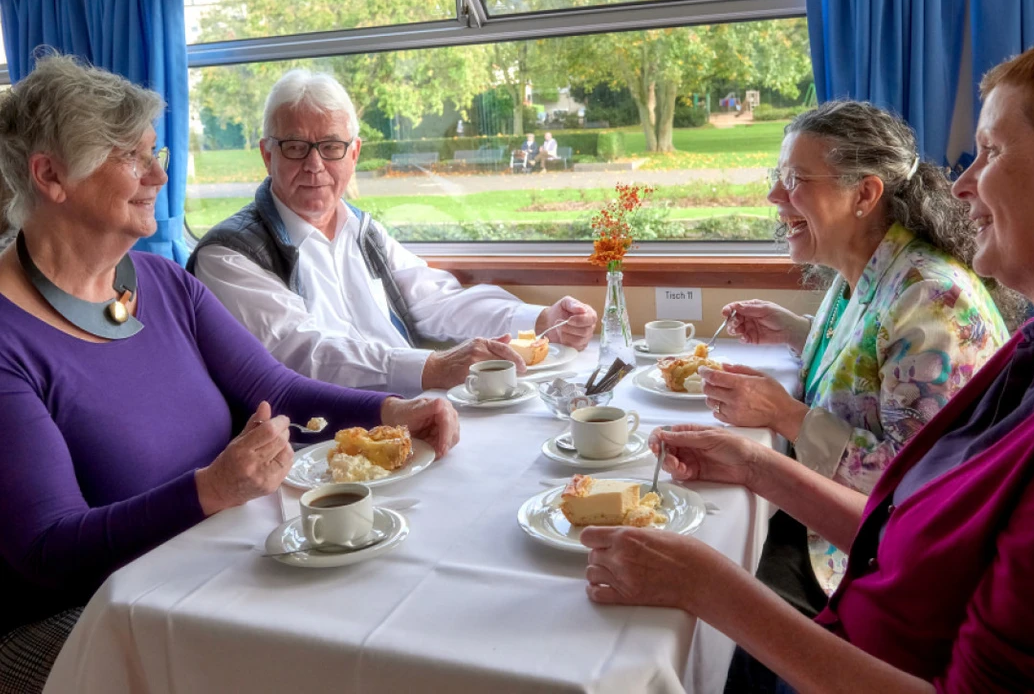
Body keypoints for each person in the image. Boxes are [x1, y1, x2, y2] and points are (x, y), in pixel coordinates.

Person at [582, 33, 1034, 692]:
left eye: (989, 152)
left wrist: (710, 588)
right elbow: (906, 520)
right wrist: (753, 461)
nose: (962, 182)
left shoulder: (946, 307)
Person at [0, 56, 460, 692]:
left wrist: (393, 411)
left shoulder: (162, 285)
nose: (160, 174)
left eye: (154, 152)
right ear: (51, 175)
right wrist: (210, 490)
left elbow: (277, 389)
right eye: (130, 159)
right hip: (95, 617)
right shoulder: (6, 340)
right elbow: (48, 552)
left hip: (217, 559)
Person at [703, 100, 1010, 616]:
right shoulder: (874, 270)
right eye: (779, 176)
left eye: (797, 179)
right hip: (831, 524)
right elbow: (875, 364)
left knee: (707, 569)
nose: (776, 196)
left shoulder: (932, 301)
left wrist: (784, 414)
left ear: (865, 194)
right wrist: (799, 333)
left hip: (869, 566)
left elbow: (909, 490)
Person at [188, 71, 596, 395]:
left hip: (405, 409)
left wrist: (539, 322)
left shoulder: (364, 232)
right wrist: (431, 368)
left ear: (354, 154)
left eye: (331, 147)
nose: (314, 165)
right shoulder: (227, 257)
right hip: (315, 439)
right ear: (267, 154)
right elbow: (303, 353)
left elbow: (436, 301)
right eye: (295, 147)